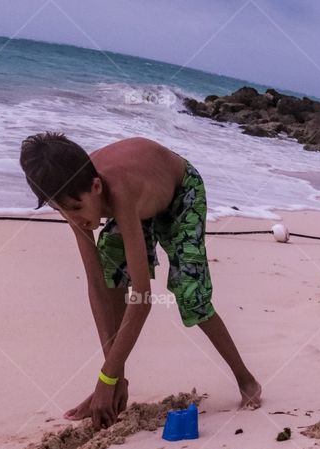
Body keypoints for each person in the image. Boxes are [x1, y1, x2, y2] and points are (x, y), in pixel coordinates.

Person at [19, 133, 261, 428]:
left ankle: (246, 380)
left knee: (190, 293)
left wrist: (105, 379)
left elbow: (143, 298)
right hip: (139, 206)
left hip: (180, 194)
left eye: (77, 209)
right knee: (111, 271)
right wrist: (114, 378)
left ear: (96, 187)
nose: (74, 219)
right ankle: (118, 382)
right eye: (62, 211)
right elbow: (96, 285)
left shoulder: (118, 190)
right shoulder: (71, 193)